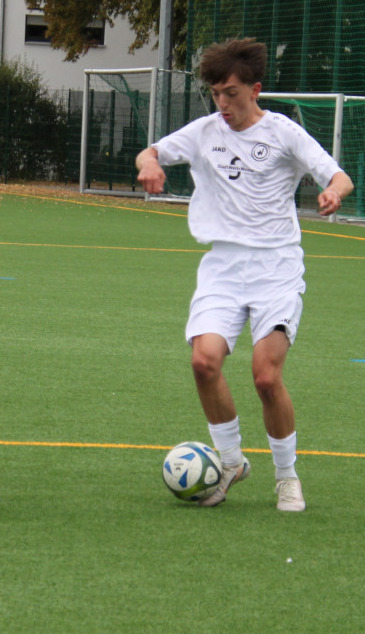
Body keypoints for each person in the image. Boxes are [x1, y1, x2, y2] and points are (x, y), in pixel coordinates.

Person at [135, 38, 353, 512]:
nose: (223, 103)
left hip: (276, 267)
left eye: (231, 93)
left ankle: (286, 476)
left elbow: (338, 175)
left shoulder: (284, 133)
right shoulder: (204, 131)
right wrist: (149, 163)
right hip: (223, 267)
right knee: (203, 362)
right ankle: (231, 462)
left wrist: (333, 193)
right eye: (216, 93)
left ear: (255, 90)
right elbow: (150, 152)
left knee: (265, 378)